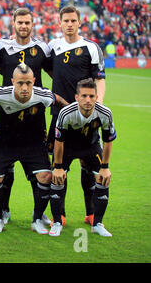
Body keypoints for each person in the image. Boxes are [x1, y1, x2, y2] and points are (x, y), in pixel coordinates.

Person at [0, 63, 68, 234]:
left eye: (28, 83)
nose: (24, 88)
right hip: (5, 142)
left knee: (46, 177)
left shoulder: (43, 95)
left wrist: (73, 115)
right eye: (20, 83)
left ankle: (37, 219)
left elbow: (61, 103)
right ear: (12, 82)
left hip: (33, 142)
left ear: (34, 81)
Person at [48, 5, 106, 226]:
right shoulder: (53, 46)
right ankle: (59, 216)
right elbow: (48, 69)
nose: (70, 24)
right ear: (60, 23)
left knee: (89, 164)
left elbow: (99, 78)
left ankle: (91, 213)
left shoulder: (91, 48)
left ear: (79, 22)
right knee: (59, 166)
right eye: (66, 21)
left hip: (87, 117)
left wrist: (97, 104)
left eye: (73, 20)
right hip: (60, 116)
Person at [0, 7, 53, 225]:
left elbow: (53, 72)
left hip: (35, 116)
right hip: (8, 115)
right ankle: (4, 209)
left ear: (33, 24)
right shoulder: (2, 47)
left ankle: (40, 213)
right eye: (20, 22)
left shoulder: (42, 49)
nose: (23, 26)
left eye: (27, 22)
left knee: (38, 167)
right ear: (13, 23)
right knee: (6, 166)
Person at [51, 78, 116, 237]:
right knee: (57, 178)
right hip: (68, 147)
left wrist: (105, 167)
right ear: (76, 97)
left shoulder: (105, 113)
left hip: (91, 146)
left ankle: (97, 223)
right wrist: (58, 167)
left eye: (92, 96)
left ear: (96, 97)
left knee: (103, 178)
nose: (88, 100)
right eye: (84, 96)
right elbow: (58, 142)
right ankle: (58, 221)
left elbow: (108, 141)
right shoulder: (65, 113)